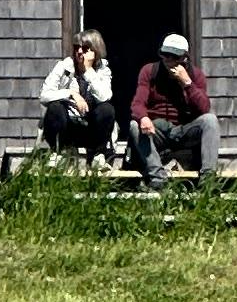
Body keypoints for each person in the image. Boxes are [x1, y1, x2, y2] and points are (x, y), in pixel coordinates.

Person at [129, 32, 213, 188]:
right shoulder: (150, 71)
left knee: (210, 120)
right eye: (165, 55)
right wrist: (143, 117)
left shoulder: (195, 75)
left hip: (182, 130)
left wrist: (187, 83)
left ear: (184, 58)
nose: (168, 60)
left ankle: (208, 180)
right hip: (156, 130)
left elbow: (204, 108)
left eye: (174, 56)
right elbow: (138, 103)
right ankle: (157, 178)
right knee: (134, 125)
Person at [38, 30, 115, 161]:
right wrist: (71, 93)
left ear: (95, 51)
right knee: (55, 107)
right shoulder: (64, 66)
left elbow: (105, 96)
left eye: (84, 49)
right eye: (76, 47)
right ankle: (57, 153)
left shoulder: (103, 70)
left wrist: (88, 71)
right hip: (67, 126)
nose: (79, 51)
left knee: (107, 109)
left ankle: (99, 155)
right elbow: (44, 96)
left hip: (91, 129)